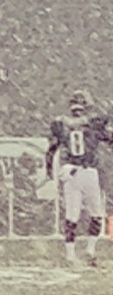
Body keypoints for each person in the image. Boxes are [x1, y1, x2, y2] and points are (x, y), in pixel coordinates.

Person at [46, 88, 113, 267]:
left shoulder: (61, 123)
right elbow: (109, 138)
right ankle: (90, 251)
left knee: (71, 216)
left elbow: (52, 149)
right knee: (97, 214)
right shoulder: (93, 123)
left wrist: (49, 168)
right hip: (88, 171)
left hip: (69, 171)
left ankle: (70, 254)